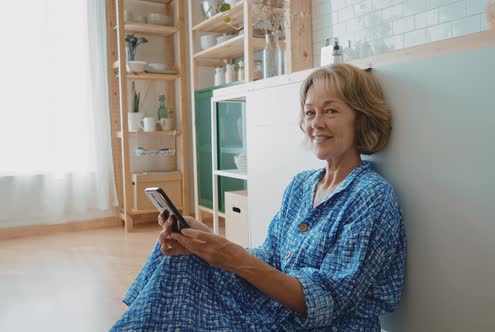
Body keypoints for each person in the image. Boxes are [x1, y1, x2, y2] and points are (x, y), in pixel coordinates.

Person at [111, 63, 407, 331]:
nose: (317, 123)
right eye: (310, 112)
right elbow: (271, 256)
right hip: (272, 311)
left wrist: (233, 258)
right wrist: (200, 236)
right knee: (185, 260)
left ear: (361, 117)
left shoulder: (371, 196)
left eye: (331, 111)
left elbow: (326, 302)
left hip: (321, 327)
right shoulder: (301, 185)